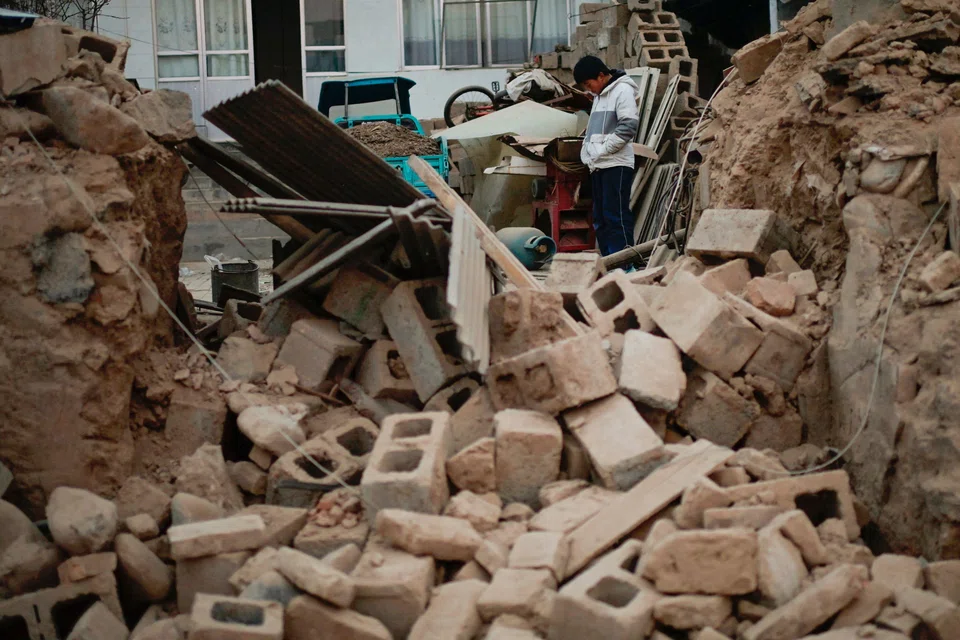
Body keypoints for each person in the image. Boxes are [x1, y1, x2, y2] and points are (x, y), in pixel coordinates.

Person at [574, 55, 641, 256]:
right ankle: (608, 263)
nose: (588, 89)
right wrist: (588, 154)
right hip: (599, 165)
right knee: (600, 219)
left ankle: (625, 264)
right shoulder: (598, 96)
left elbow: (628, 127)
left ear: (601, 76)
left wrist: (603, 151)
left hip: (616, 164)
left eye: (588, 84)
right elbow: (593, 132)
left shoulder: (622, 90)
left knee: (616, 217)